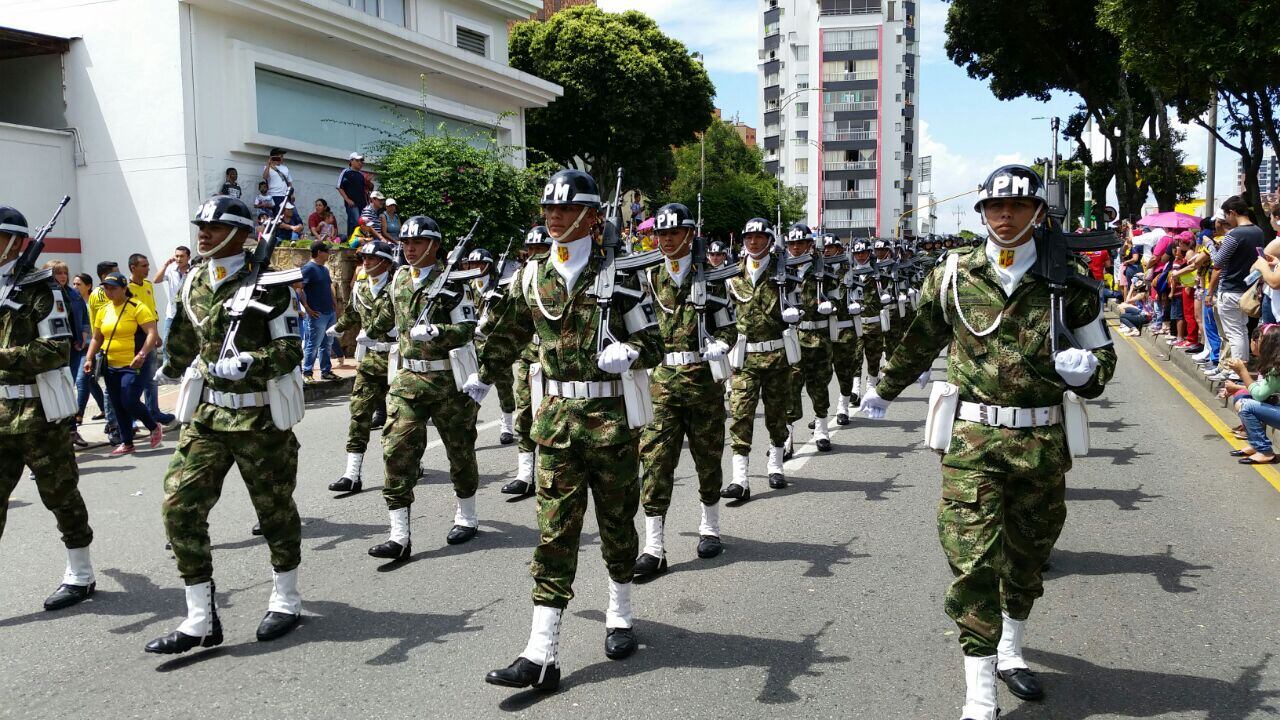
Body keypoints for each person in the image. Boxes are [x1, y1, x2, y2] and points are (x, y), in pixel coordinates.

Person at [859, 165, 1116, 720]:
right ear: (981, 214)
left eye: (1018, 207)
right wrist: (884, 388)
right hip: (972, 441)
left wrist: (1084, 371)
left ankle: (1011, 648)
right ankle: (979, 694)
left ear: (1039, 213)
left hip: (1041, 441)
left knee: (1027, 557)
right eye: (995, 207)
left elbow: (1102, 364)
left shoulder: (1067, 282)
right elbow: (921, 335)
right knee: (972, 562)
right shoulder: (953, 272)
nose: (1005, 216)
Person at [470, 169, 663, 690]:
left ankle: (619, 613)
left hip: (610, 424)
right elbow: (507, 335)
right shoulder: (530, 277)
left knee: (619, 525)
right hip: (554, 423)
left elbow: (657, 343)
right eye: (548, 208)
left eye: (565, 209)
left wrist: (632, 354)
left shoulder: (622, 277)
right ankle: (541, 654)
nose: (553, 217)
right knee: (554, 534)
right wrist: (480, 378)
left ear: (592, 218)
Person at [147, 195, 305, 654]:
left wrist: (252, 360)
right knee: (179, 506)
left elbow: (291, 350)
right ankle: (199, 618)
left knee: (273, 512)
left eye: (214, 229)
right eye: (201, 226)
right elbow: (183, 337)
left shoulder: (272, 284)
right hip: (207, 417)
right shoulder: (195, 278)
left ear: (239, 235)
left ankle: (286, 599)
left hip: (258, 417)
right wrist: (171, 368)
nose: (203, 234)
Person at [363, 215, 483, 558]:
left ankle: (467, 516)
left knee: (459, 449)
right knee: (395, 448)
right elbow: (389, 314)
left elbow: (467, 328)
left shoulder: (454, 281)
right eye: (405, 243)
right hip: (407, 379)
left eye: (416, 243)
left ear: (434, 245)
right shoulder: (399, 278)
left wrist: (438, 332)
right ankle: (399, 536)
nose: (409, 249)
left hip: (448, 380)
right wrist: (368, 332)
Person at [0, 205, 97, 612]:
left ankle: (81, 573)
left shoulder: (43, 289)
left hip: (38, 413)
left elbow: (55, 350)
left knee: (60, 495)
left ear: (17, 243)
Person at [632, 203, 734, 581]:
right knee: (655, 463)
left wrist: (722, 344)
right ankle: (654, 547)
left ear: (690, 235)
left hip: (703, 382)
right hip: (661, 385)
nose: (667, 239)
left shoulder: (712, 276)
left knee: (708, 458)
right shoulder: (645, 278)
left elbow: (728, 326)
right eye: (661, 234)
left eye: (674, 233)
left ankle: (710, 528)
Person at [722, 217, 798, 499]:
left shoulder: (785, 275)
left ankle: (776, 465)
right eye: (748, 238)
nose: (753, 243)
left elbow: (799, 302)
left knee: (777, 415)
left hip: (777, 356)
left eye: (759, 238)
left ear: (769, 240)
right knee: (740, 414)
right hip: (745, 359)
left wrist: (795, 313)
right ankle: (740, 479)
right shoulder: (732, 276)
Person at [325, 241, 397, 494]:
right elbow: (354, 313)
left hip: (396, 359)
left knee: (403, 418)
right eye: (363, 257)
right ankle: (352, 474)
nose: (365, 262)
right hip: (370, 360)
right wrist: (339, 327)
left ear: (386, 262)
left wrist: (379, 331)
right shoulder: (362, 288)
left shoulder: (399, 287)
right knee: (359, 413)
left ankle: (414, 461)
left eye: (371, 258)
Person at [495, 225, 552, 497]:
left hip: (557, 359)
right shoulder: (522, 276)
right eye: (530, 250)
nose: (534, 255)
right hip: (529, 357)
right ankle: (525, 475)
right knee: (525, 413)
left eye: (540, 250)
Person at [84, 272, 162, 456]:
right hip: (110, 364)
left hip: (134, 363)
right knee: (117, 403)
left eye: (113, 288)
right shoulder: (104, 309)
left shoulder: (137, 307)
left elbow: (151, 333)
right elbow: (97, 337)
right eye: (106, 288)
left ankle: (153, 426)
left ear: (124, 289)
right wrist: (89, 358)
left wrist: (142, 354)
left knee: (129, 400)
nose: (109, 292)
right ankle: (127, 442)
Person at [784, 223, 835, 454]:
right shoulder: (782, 270)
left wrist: (831, 305)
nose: (795, 247)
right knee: (790, 387)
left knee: (819, 383)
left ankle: (822, 428)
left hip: (819, 335)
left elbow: (839, 298)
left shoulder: (822, 269)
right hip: (793, 337)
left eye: (800, 243)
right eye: (792, 243)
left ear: (809, 244)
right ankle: (786, 437)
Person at [467, 247, 516, 445]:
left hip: (496, 346)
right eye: (472, 264)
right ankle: (468, 427)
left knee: (504, 387)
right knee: (472, 388)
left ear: (488, 265)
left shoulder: (500, 288)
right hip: (474, 345)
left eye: (480, 264)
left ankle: (507, 426)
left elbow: (507, 317)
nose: (476, 268)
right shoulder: (468, 287)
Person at [1211, 196, 1265, 370]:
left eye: (1227, 216)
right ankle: (1241, 369)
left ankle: (1236, 372)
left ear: (1232, 213)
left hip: (1230, 289)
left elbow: (1218, 262)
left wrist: (1211, 248)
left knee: (1234, 334)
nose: (1226, 220)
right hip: (1249, 290)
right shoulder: (1259, 231)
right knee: (1241, 331)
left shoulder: (1234, 234)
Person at [127, 253, 174, 427]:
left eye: (147, 265)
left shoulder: (147, 285)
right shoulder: (125, 288)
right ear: (133, 267)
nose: (147, 269)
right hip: (134, 340)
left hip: (150, 337)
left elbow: (152, 310)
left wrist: (156, 334)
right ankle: (132, 416)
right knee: (133, 379)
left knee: (151, 377)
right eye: (144, 266)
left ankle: (154, 411)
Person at [45, 261, 89, 446]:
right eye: (57, 272)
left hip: (73, 347)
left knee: (68, 389)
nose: (62, 276)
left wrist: (84, 335)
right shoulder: (43, 294)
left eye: (64, 272)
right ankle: (56, 434)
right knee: (54, 391)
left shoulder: (74, 293)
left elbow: (84, 317)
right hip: (51, 349)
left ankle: (71, 431)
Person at [1229, 324, 1280, 464]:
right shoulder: (1272, 363)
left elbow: (1258, 395)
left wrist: (1242, 372)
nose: (1253, 342)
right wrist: (1237, 387)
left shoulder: (1276, 368)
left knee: (1246, 405)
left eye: (1256, 339)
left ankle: (1265, 451)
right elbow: (1262, 391)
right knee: (1241, 397)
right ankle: (1255, 445)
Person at [297, 241, 338, 382]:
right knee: (313, 344)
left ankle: (326, 371)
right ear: (319, 252)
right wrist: (307, 309)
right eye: (327, 251)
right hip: (317, 314)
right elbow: (299, 288)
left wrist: (334, 302)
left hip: (329, 312)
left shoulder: (324, 269)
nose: (329, 253)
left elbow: (328, 286)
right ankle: (307, 372)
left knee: (327, 344)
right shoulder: (308, 269)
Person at [152, 245, 192, 355]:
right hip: (172, 313)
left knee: (187, 345)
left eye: (182, 256)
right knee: (167, 345)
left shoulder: (194, 270)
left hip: (188, 314)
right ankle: (166, 369)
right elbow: (156, 280)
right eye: (177, 256)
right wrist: (165, 265)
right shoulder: (170, 269)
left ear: (188, 257)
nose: (179, 259)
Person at [337, 152, 369, 238]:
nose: (360, 163)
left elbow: (367, 189)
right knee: (355, 221)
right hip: (352, 203)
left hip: (363, 203)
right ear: (351, 161)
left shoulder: (362, 175)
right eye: (358, 160)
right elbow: (339, 187)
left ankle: (355, 240)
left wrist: (368, 182)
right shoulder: (346, 172)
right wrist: (347, 199)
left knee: (362, 223)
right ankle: (353, 240)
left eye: (361, 161)